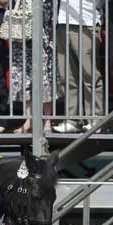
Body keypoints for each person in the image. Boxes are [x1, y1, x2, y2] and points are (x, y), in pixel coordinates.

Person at [54, 0, 105, 133]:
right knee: (67, 76)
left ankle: (95, 118)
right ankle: (72, 120)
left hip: (87, 23)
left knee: (90, 75)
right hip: (62, 22)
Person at [7, 0, 56, 134]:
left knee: (45, 77)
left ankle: (47, 121)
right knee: (25, 78)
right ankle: (29, 120)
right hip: (22, 32)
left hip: (43, 33)